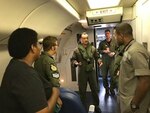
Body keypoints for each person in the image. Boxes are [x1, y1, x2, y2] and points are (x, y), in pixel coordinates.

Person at [0, 28, 60, 113]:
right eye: (38, 44)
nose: (40, 48)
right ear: (32, 47)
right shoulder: (25, 74)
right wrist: (56, 93)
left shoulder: (15, 64)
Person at [115, 23, 150, 113]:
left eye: (116, 35)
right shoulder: (129, 48)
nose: (115, 38)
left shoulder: (135, 51)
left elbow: (145, 80)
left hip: (133, 104)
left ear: (121, 35)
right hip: (126, 100)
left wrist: (134, 104)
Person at [71, 32, 102, 113]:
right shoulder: (76, 50)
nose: (86, 40)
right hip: (82, 73)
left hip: (91, 71)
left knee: (94, 89)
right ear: (80, 39)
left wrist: (99, 61)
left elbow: (97, 57)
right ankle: (82, 106)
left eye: (87, 38)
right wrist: (76, 63)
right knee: (82, 91)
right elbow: (73, 59)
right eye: (84, 38)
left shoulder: (93, 48)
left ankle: (97, 106)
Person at [34, 36, 62, 112]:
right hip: (50, 94)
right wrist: (57, 98)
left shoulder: (38, 59)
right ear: (53, 47)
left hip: (42, 93)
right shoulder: (49, 61)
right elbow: (55, 82)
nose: (57, 47)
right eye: (56, 45)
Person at [98, 29, 117, 95]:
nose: (107, 35)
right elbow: (98, 50)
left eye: (108, 33)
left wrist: (114, 53)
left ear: (110, 34)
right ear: (105, 35)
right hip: (104, 60)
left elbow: (118, 50)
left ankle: (112, 88)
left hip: (112, 60)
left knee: (113, 76)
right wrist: (104, 51)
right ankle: (106, 88)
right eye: (106, 34)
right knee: (104, 76)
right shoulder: (102, 43)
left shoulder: (115, 42)